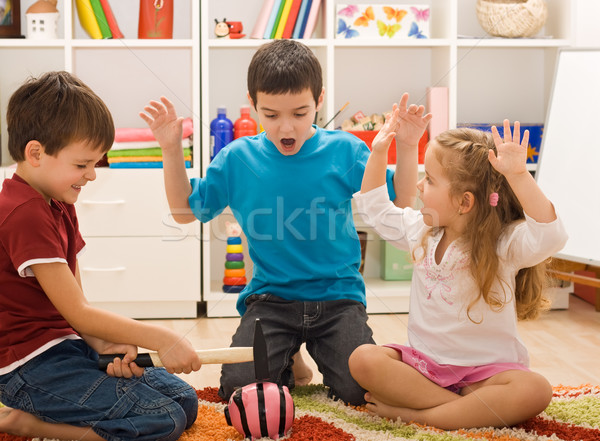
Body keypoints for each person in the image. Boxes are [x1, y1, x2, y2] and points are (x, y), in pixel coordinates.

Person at [140, 39, 431, 405]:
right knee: (240, 391)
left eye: (300, 112)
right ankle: (292, 359)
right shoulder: (236, 158)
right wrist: (170, 149)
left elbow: (400, 204)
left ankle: (294, 357)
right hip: (270, 300)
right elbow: (185, 212)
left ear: (319, 100)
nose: (286, 127)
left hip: (338, 298)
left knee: (361, 393)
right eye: (272, 115)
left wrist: (406, 147)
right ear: (253, 104)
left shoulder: (347, 150)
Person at [0, 71, 202, 441]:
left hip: (66, 347)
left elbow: (75, 305)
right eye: (82, 165)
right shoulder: (22, 212)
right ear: (36, 153)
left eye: (96, 163)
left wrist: (102, 344)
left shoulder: (59, 201)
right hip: (27, 367)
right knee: (163, 419)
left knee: (183, 400)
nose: (92, 175)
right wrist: (160, 337)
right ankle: (31, 425)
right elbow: (78, 312)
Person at [349, 115, 568, 429]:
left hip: (486, 376)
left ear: (465, 202)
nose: (421, 186)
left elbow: (551, 235)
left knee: (536, 390)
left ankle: (419, 416)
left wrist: (519, 175)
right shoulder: (420, 231)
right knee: (363, 359)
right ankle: (469, 412)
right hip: (425, 370)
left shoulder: (502, 244)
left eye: (431, 180)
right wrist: (381, 151)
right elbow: (376, 209)